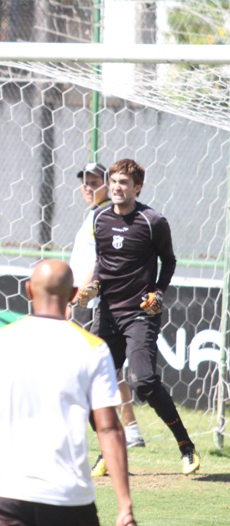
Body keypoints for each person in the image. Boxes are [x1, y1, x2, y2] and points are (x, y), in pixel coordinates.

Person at [0, 260, 136, 526]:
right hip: (69, 501)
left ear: (28, 290)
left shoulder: (0, 340)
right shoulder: (94, 348)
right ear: (73, 295)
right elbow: (108, 429)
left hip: (7, 496)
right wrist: (125, 506)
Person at [77, 158, 200, 476]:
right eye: (114, 181)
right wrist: (92, 288)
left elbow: (169, 262)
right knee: (90, 385)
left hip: (139, 314)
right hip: (107, 314)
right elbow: (104, 265)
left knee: (143, 382)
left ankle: (186, 447)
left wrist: (158, 291)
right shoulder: (100, 219)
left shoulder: (152, 221)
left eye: (124, 183)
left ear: (137, 188)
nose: (117, 187)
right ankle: (109, 450)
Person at [69, 162, 146, 453]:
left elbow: (99, 260)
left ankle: (123, 430)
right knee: (107, 370)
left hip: (94, 301)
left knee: (104, 369)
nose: (88, 187)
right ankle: (129, 430)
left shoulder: (104, 215)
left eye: (94, 181)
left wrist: (76, 297)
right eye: (84, 182)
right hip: (84, 298)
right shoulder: (94, 215)